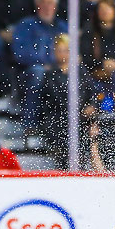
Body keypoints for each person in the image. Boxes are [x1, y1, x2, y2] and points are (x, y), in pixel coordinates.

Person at [37, 34, 95, 170]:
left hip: (80, 117)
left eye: (66, 50)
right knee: (65, 128)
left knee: (85, 129)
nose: (63, 54)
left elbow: (91, 92)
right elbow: (52, 98)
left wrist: (91, 106)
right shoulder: (50, 73)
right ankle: (65, 165)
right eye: (59, 50)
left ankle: (81, 164)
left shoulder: (80, 71)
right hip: (58, 117)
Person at [12, 0, 67, 124]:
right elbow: (19, 54)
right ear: (37, 5)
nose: (47, 7)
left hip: (59, 69)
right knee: (39, 72)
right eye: (43, 2)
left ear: (55, 6)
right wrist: (46, 63)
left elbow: (71, 51)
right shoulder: (25, 25)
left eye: (51, 3)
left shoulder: (63, 27)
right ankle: (30, 124)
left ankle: (65, 126)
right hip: (29, 72)